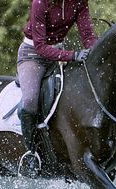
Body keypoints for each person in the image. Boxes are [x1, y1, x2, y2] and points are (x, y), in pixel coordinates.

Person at [17, 0, 98, 162]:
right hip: (33, 55)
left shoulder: (79, 2)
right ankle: (31, 153)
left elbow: (88, 36)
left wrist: (97, 52)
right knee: (30, 100)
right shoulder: (40, 3)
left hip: (59, 53)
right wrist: (73, 55)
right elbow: (40, 46)